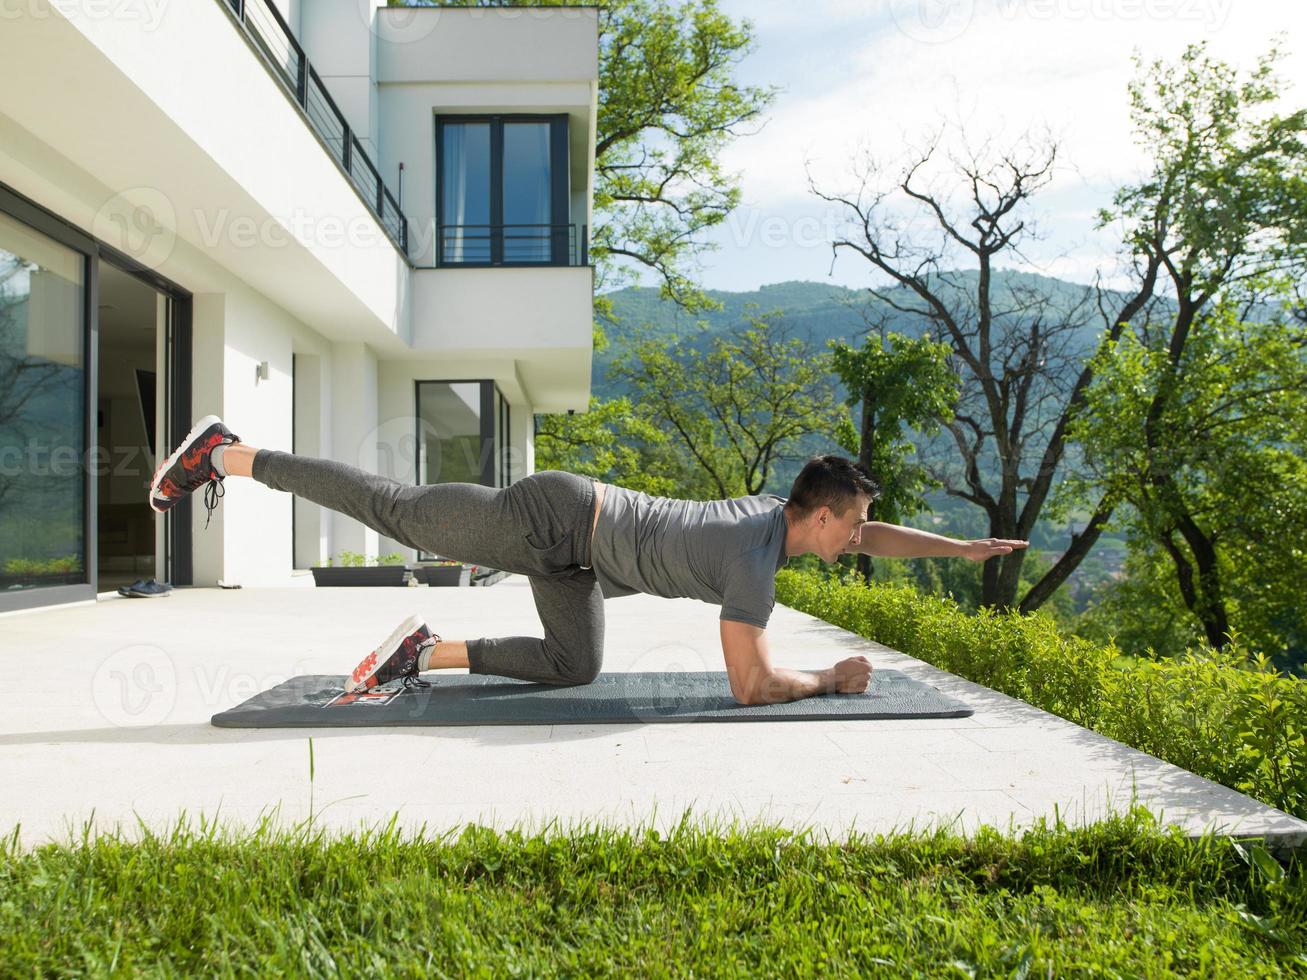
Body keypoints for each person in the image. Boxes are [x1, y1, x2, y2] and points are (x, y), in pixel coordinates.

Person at [149, 415, 1029, 705]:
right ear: (823, 516)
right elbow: (750, 687)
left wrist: (957, 546)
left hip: (578, 559)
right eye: (857, 524)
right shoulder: (754, 563)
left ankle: (425, 653)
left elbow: (876, 538)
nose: (860, 537)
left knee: (577, 665)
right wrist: (832, 678)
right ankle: (226, 455)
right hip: (554, 520)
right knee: (398, 511)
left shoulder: (779, 516)